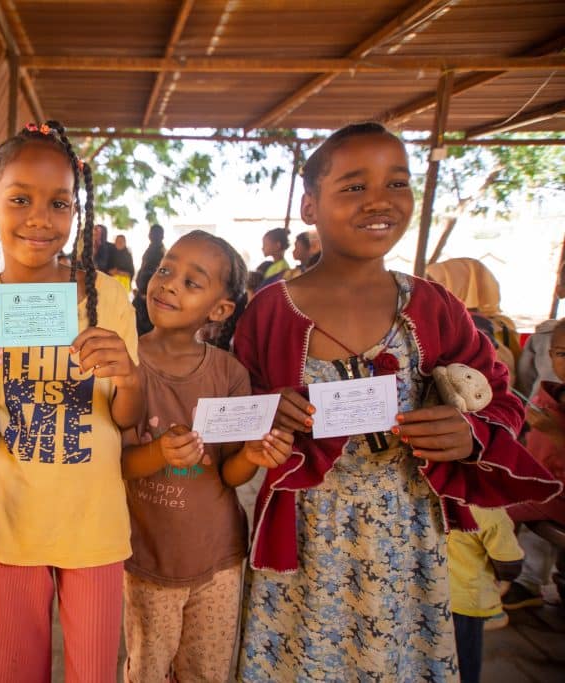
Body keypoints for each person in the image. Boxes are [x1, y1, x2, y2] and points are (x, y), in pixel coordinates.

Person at [232, 122, 561, 680]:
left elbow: (498, 400)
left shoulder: (435, 307)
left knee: (395, 658)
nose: (380, 200)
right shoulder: (269, 311)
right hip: (305, 536)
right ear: (310, 207)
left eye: (397, 183)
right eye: (354, 186)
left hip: (405, 535)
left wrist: (469, 434)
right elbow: (234, 403)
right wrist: (267, 410)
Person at [0, 120, 142, 682]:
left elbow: (126, 418)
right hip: (13, 528)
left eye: (59, 203)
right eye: (20, 200)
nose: (40, 218)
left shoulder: (107, 298)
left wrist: (129, 378)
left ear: (75, 210)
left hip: (95, 524)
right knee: (8, 670)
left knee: (93, 672)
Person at [120, 230, 294, 681]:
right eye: (165, 269)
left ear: (219, 311)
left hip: (218, 558)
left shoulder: (229, 374)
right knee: (146, 670)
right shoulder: (126, 365)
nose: (169, 284)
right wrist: (159, 452)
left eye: (191, 282)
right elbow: (119, 465)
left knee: (207, 671)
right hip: (149, 559)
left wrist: (255, 455)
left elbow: (231, 474)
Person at [504, 318, 565, 610]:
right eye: (562, 354)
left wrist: (555, 432)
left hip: (556, 494)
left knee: (492, 514)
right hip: (542, 482)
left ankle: (498, 582)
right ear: (550, 355)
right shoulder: (550, 393)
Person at [448, 506, 523, 683]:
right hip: (467, 601)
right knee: (464, 660)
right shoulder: (490, 512)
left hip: (431, 592)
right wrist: (504, 581)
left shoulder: (430, 499)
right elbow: (509, 563)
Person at [426, 257, 521, 382]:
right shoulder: (502, 324)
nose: (426, 293)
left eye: (433, 285)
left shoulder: (464, 329)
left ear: (455, 288)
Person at [516, 262, 565, 399]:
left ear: (559, 291)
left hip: (540, 408)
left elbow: (524, 383)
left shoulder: (542, 337)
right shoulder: (541, 337)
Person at [132, 223, 165, 336]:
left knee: (143, 330)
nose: (150, 235)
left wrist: (145, 292)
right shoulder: (152, 249)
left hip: (146, 296)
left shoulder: (158, 252)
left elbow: (150, 273)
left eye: (153, 234)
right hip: (143, 294)